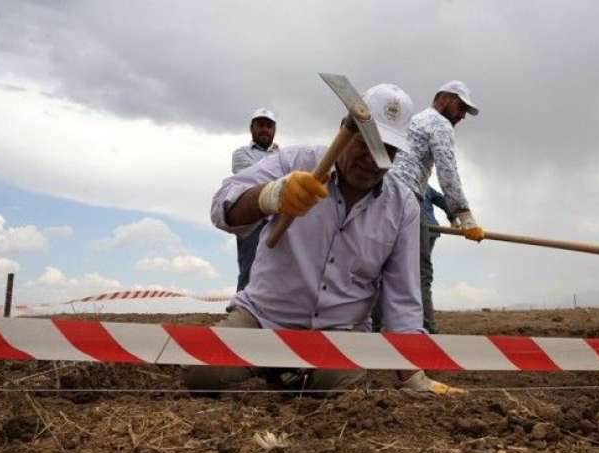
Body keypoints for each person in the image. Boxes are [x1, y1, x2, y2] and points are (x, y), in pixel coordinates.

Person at [193, 83, 465, 395]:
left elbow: (402, 298)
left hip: (339, 336)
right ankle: (277, 369)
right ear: (343, 131)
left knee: (342, 389)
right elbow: (221, 206)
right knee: (204, 374)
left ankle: (291, 375)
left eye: (387, 150)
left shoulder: (402, 206)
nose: (373, 160)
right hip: (263, 319)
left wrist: (412, 375)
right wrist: (269, 196)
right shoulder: (295, 163)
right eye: (365, 142)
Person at [392, 80, 485, 334]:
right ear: (442, 98)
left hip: (386, 194)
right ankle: (427, 341)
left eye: (466, 111)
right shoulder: (439, 123)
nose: (462, 116)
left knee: (385, 272)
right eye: (460, 106)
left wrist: (450, 211)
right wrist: (464, 215)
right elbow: (447, 169)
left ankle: (374, 340)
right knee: (419, 274)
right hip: (406, 200)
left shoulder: (415, 121)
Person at [371, 185, 455, 333]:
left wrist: (455, 217)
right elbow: (443, 200)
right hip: (426, 230)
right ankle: (427, 327)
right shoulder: (421, 185)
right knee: (419, 278)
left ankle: (376, 326)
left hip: (420, 228)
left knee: (391, 274)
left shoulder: (396, 185)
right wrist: (453, 218)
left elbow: (442, 199)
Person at [230, 108, 280, 292]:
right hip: (253, 219)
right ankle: (240, 313)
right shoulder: (241, 154)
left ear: (274, 130)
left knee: (278, 270)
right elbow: (252, 180)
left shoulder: (282, 155)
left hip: (278, 220)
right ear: (252, 128)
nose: (264, 130)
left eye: (269, 126)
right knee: (249, 269)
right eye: (260, 125)